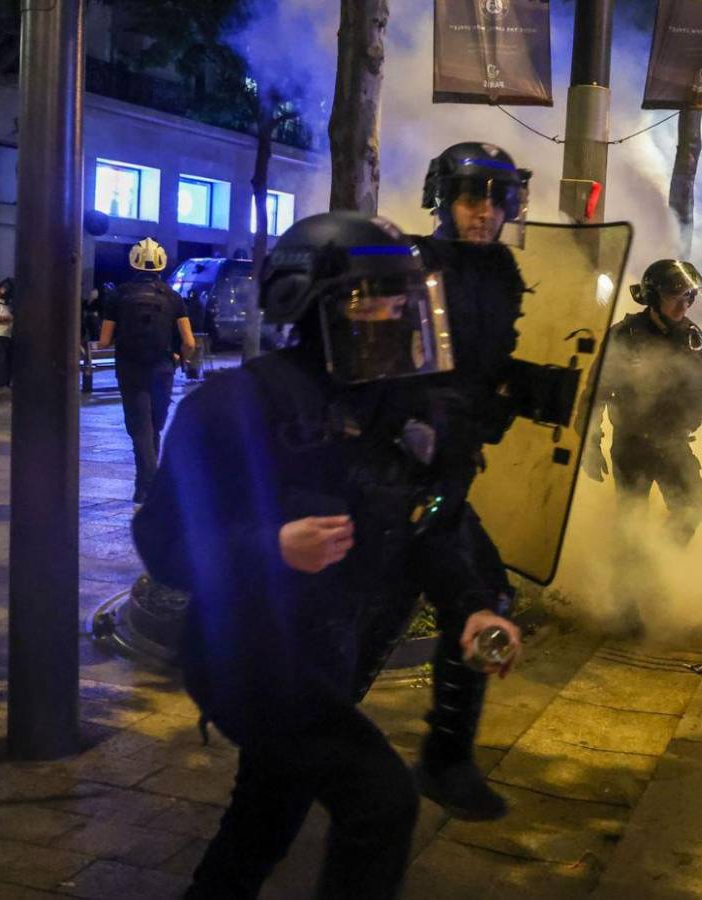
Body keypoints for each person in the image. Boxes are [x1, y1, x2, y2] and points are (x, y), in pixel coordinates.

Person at [131, 211, 521, 898]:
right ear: (307, 303)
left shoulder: (401, 408)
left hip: (326, 654)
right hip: (246, 658)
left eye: (404, 299)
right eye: (376, 298)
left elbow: (429, 526)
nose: (396, 314)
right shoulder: (234, 407)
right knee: (381, 802)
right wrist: (270, 547)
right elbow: (162, 542)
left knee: (265, 818)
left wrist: (471, 609)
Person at [352, 141, 532, 822]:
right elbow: (378, 370)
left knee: (479, 598)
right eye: (470, 196)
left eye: (497, 197)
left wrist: (523, 387)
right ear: (443, 199)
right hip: (398, 474)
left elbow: (484, 366)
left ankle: (445, 758)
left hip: (448, 472)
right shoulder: (409, 265)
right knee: (377, 617)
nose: (484, 211)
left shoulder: (504, 271)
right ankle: (304, 747)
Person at [582, 260, 702, 546]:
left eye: (689, 296)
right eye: (675, 295)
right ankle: (627, 582)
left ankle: (661, 563)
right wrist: (590, 444)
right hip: (632, 444)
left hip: (674, 442)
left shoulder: (693, 338)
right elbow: (596, 392)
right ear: (652, 296)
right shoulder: (625, 336)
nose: (684, 304)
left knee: (690, 508)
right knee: (631, 521)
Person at [97, 238, 195, 504]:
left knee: (140, 429)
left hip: (130, 368)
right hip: (162, 368)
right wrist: (180, 358)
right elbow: (189, 342)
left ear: (133, 262)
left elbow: (105, 340)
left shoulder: (119, 295)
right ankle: (146, 487)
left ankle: (147, 487)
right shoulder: (173, 297)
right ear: (161, 264)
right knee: (154, 428)